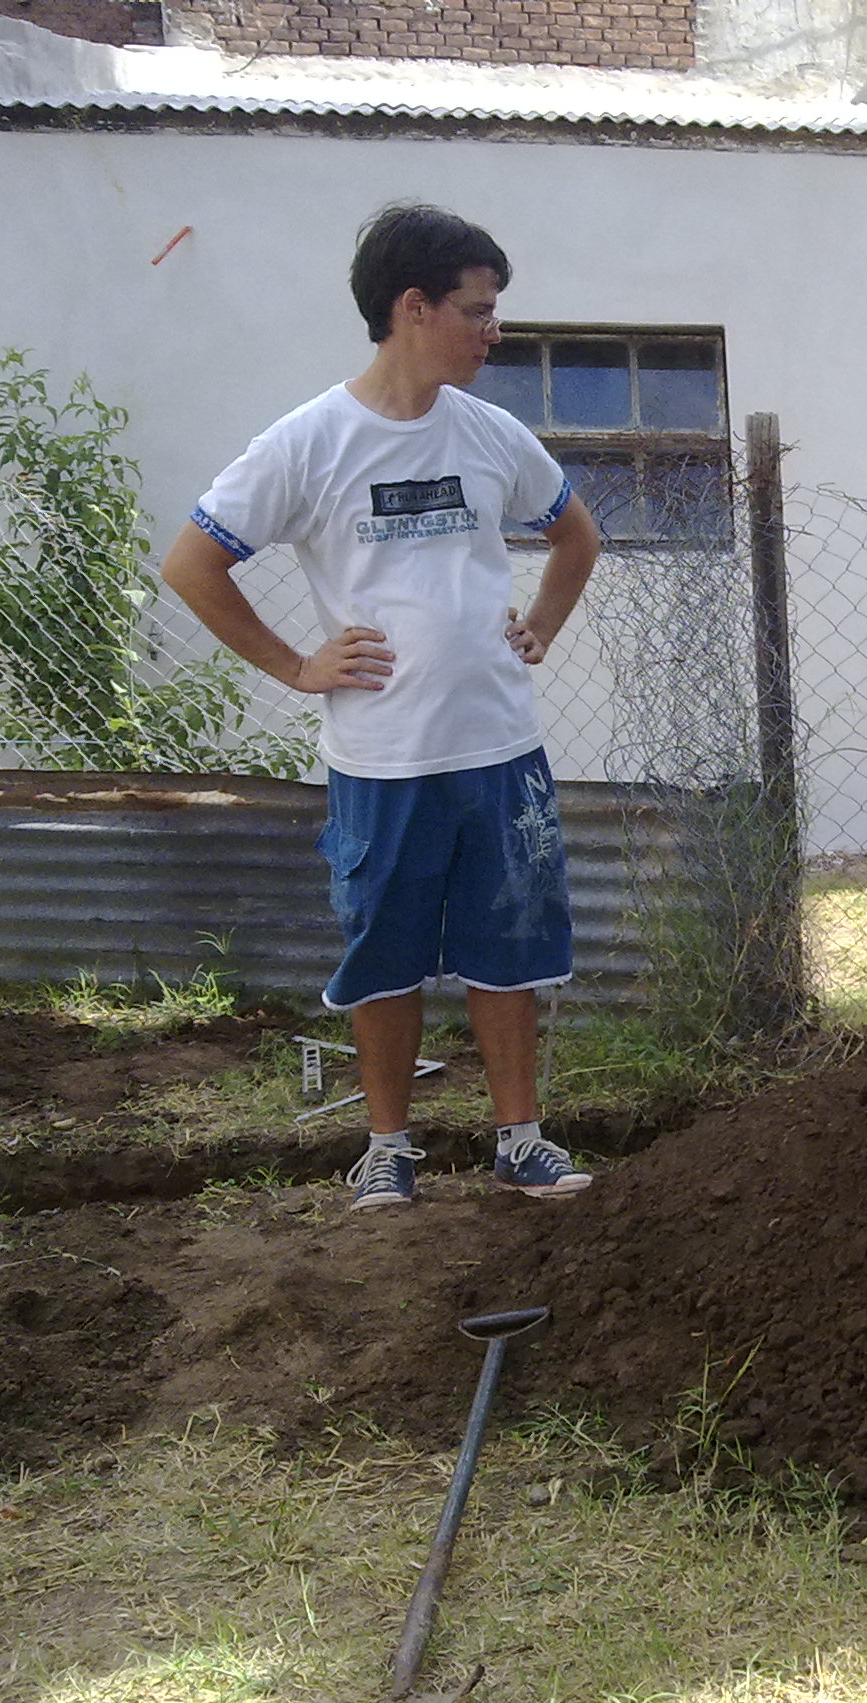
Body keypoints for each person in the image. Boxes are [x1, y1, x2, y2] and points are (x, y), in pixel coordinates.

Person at [162, 203, 606, 1210]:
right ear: (414, 308)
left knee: (509, 950)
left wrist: (541, 623)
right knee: (384, 957)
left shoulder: (491, 434)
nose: (493, 331)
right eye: (478, 311)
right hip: (381, 762)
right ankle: (390, 1152)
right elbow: (194, 564)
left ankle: (521, 1142)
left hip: (499, 749)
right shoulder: (307, 444)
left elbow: (575, 538)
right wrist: (294, 665)